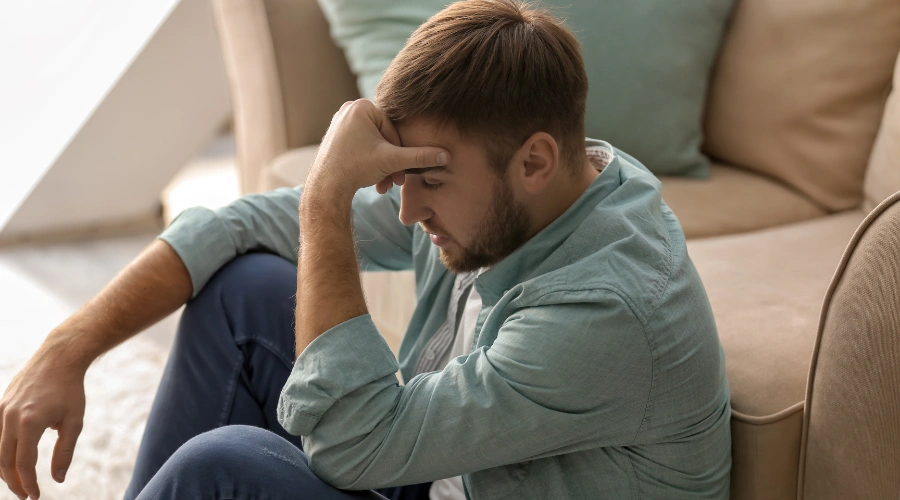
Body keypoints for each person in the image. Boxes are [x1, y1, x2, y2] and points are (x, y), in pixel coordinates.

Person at [0, 1, 732, 499]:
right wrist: (70, 345)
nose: (406, 210)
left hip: (437, 466)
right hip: (453, 466)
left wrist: (327, 199)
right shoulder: (559, 176)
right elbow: (237, 226)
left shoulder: (604, 311)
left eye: (429, 181)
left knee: (220, 468)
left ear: (535, 161)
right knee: (243, 290)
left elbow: (355, 443)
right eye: (398, 178)